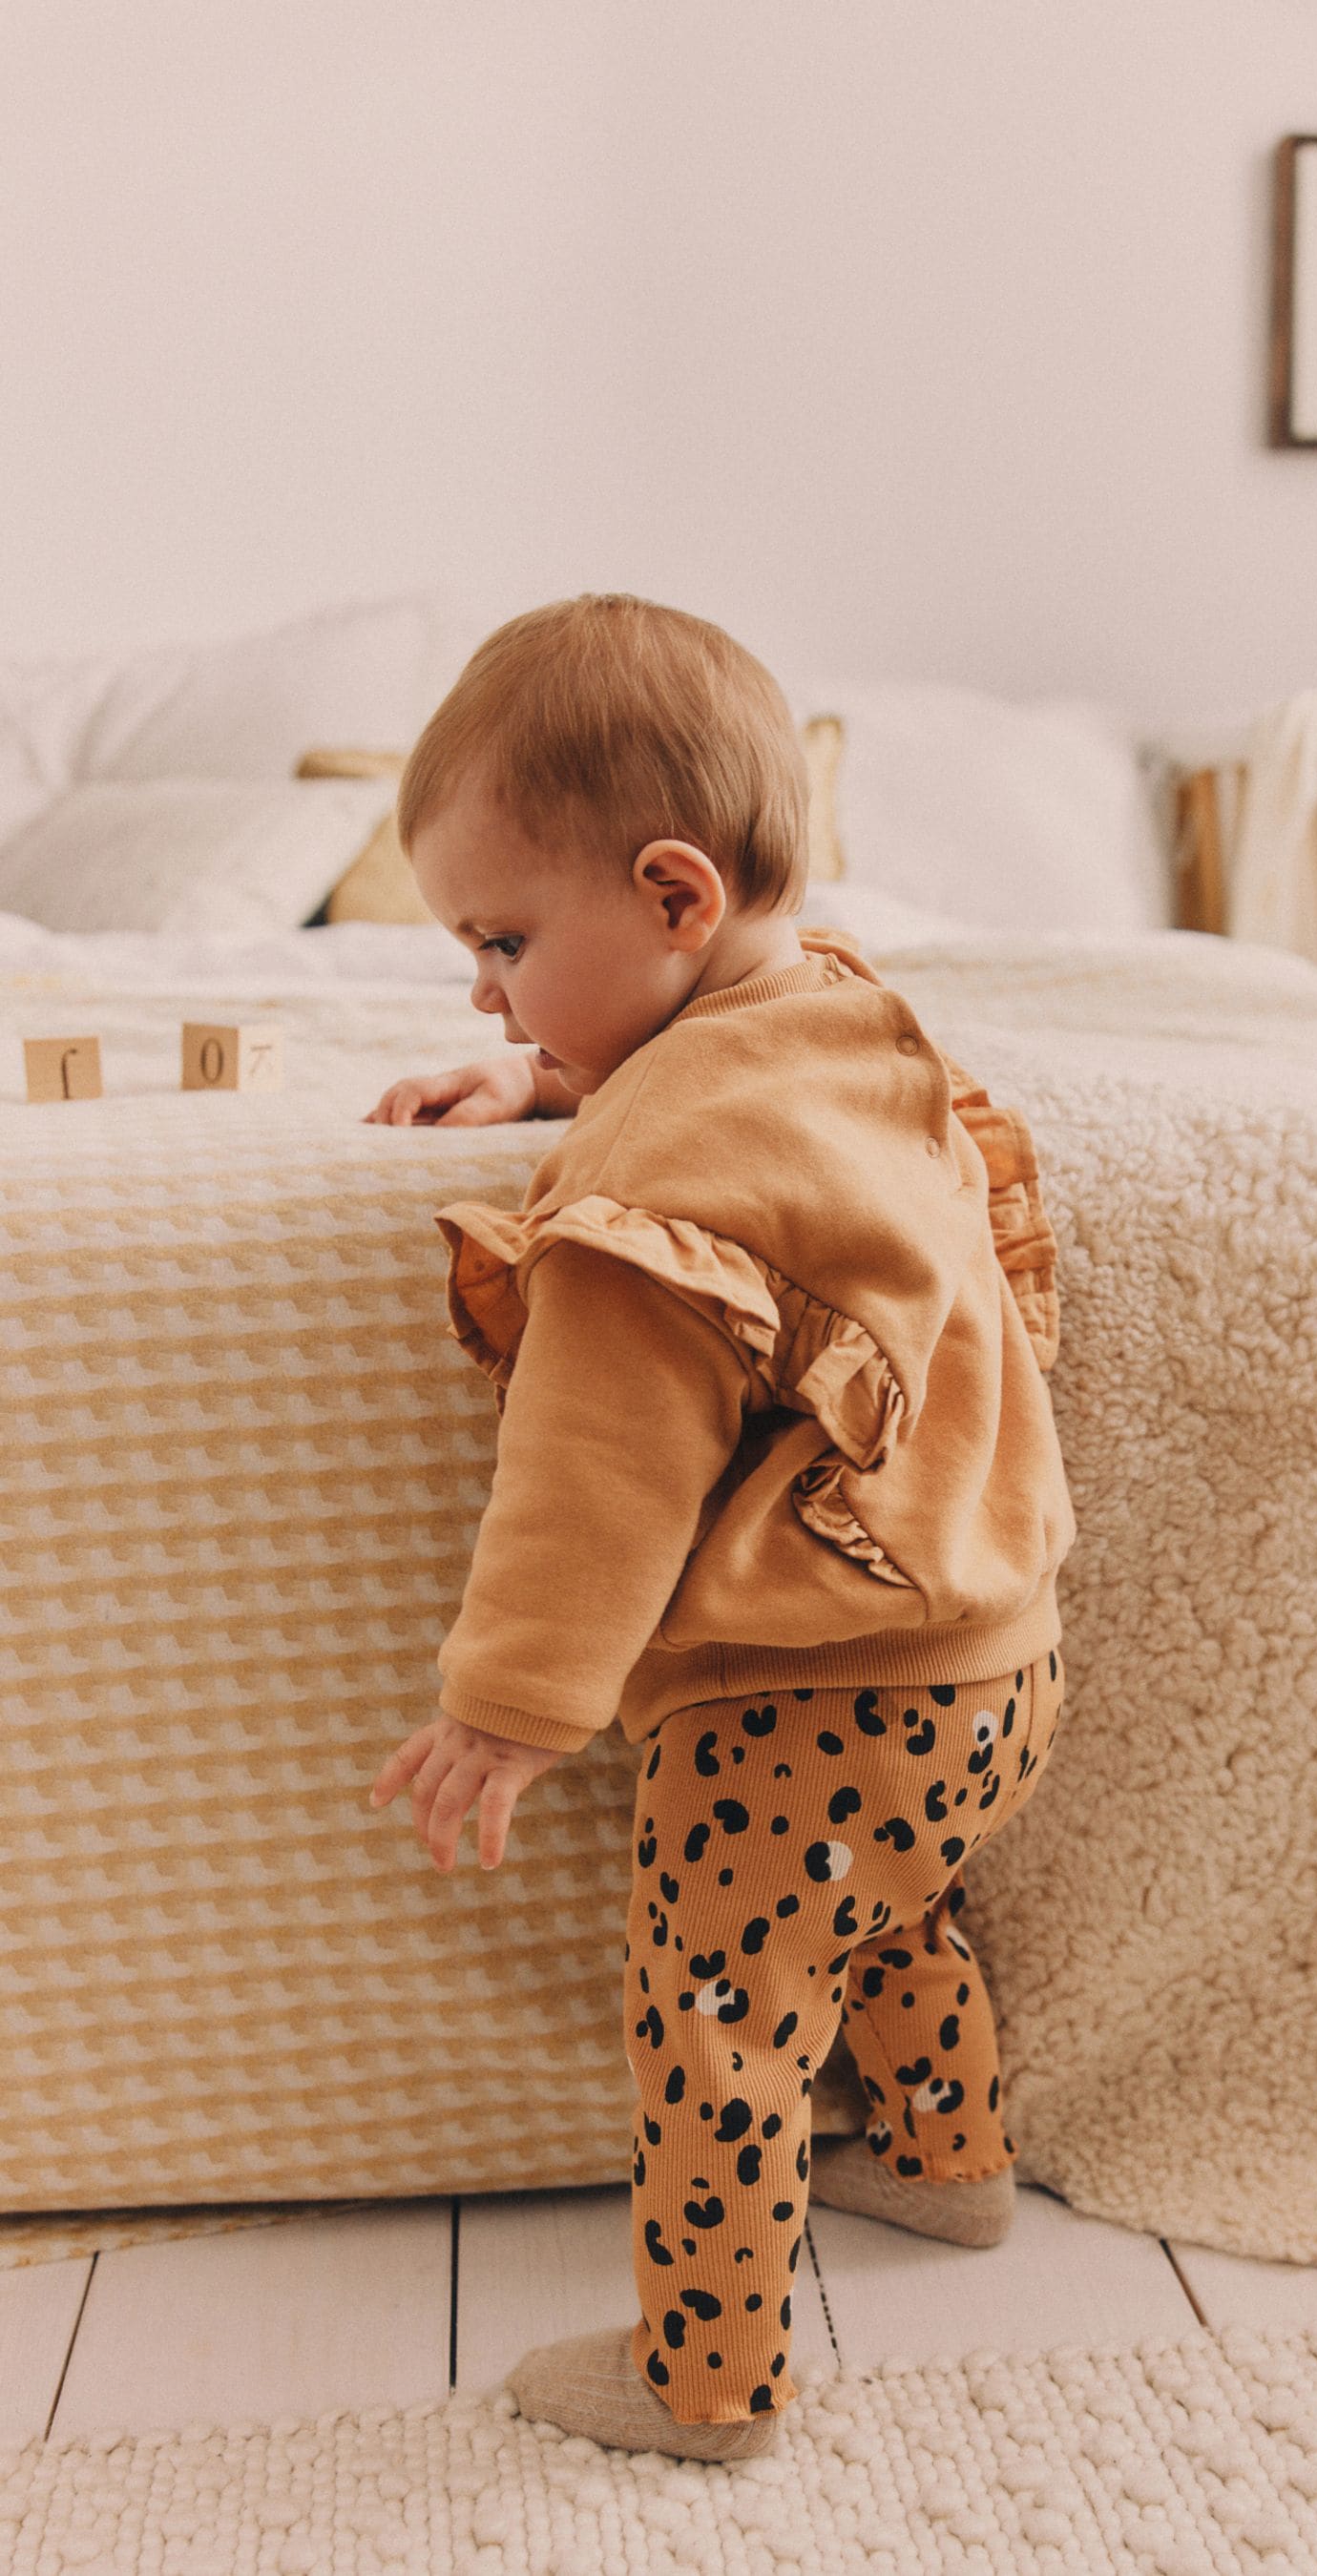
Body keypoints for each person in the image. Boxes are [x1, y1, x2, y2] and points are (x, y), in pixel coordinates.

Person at [364, 593, 1077, 2462]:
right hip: (994, 1662)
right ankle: (947, 2161)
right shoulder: (832, 1011)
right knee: (889, 1918)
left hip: (804, 1708)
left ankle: (708, 2381)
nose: (484, 996)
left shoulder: (651, 1193)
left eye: (505, 944)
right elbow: (717, 1081)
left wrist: (511, 1706)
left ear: (675, 895)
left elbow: (592, 1476)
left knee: (719, 2026)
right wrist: (553, 1069)